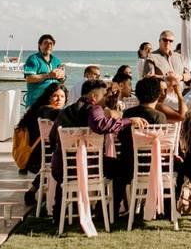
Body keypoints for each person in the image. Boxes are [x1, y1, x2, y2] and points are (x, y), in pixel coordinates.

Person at [49, 79, 149, 219]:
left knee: (67, 172)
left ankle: (57, 215)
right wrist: (129, 121)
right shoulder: (94, 108)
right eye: (104, 95)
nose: (106, 98)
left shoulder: (65, 111)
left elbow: (52, 138)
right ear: (94, 97)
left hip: (61, 168)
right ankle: (107, 212)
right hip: (87, 168)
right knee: (123, 169)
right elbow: (100, 124)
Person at [113, 77, 168, 215]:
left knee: (118, 171)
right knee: (175, 168)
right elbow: (163, 145)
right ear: (158, 94)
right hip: (153, 166)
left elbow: (121, 137)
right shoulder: (159, 117)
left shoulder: (128, 114)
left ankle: (113, 209)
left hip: (128, 164)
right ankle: (167, 208)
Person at [16, 83, 66, 206]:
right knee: (64, 160)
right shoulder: (45, 109)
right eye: (55, 96)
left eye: (62, 96)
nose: (59, 99)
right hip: (37, 158)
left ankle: (35, 191)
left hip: (44, 156)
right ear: (48, 97)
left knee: (59, 159)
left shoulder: (42, 109)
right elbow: (55, 114)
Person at [23, 34, 65, 107]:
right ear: (40, 45)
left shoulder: (56, 61)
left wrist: (62, 77)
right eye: (45, 43)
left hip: (53, 103)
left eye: (51, 44)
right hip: (36, 103)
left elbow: (60, 82)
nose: (49, 45)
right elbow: (29, 78)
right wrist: (48, 75)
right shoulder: (33, 59)